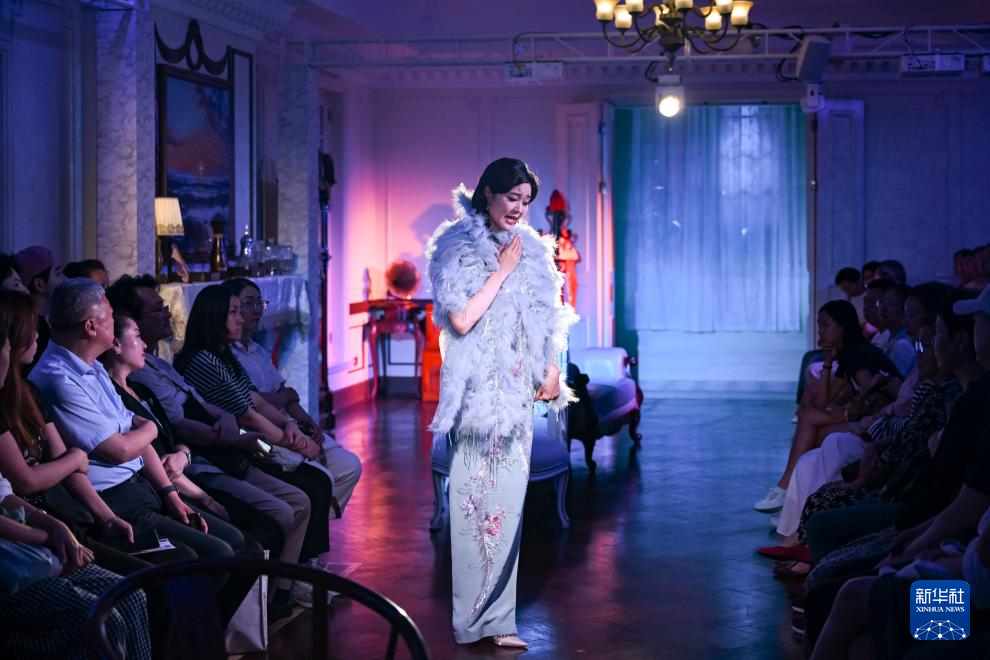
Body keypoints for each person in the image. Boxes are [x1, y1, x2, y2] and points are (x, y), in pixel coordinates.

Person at [425, 158, 577, 648]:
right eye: (512, 198)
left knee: (508, 510)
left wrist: (551, 367)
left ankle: (501, 620)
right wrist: (501, 271)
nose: (519, 209)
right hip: (474, 396)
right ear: (487, 193)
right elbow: (461, 319)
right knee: (473, 511)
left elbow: (546, 315)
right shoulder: (454, 246)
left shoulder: (530, 247)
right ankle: (469, 622)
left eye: (526, 201)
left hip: (514, 395)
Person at [107, 275, 318, 611]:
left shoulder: (165, 364)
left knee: (309, 487)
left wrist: (287, 426)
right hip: (210, 461)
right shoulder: (162, 372)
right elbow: (180, 429)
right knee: (283, 507)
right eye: (235, 311)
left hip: (216, 453)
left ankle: (282, 590)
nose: (167, 313)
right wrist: (272, 439)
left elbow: (231, 407)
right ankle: (265, 603)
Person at [173, 284, 335, 603]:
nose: (240, 318)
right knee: (307, 489)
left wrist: (291, 425)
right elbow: (248, 416)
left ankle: (291, 581)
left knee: (316, 482)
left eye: (240, 311)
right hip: (224, 455)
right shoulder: (201, 360)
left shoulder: (225, 355)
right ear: (213, 318)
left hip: (246, 445)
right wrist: (297, 444)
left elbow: (256, 400)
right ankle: (282, 590)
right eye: (233, 312)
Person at [0, 331, 151, 660]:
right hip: (19, 550)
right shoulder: (54, 377)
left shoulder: (28, 391)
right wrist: (48, 535)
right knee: (106, 616)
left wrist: (97, 518)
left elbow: (11, 492)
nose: (36, 333)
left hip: (53, 518)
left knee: (132, 595)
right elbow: (27, 481)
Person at [225, 276, 362, 514]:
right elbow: (256, 401)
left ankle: (316, 524)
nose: (257, 310)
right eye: (248, 304)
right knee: (319, 477)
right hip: (265, 432)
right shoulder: (227, 356)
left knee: (349, 465)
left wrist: (308, 422)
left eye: (260, 303)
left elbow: (286, 393)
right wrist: (283, 399)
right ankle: (308, 526)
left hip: (289, 423)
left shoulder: (258, 350)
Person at [13, 246, 65, 372]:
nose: (64, 279)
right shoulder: (37, 328)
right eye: (57, 274)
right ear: (39, 284)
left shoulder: (47, 323)